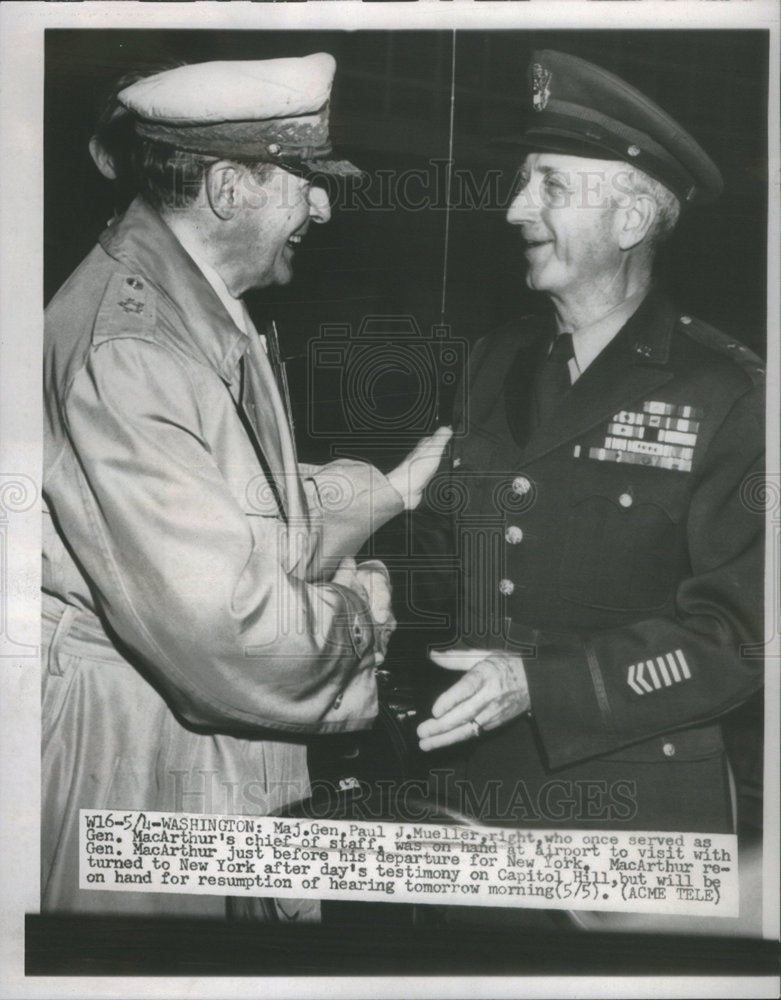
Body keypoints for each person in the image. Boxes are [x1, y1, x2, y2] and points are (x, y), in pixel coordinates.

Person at [43, 53, 451, 918]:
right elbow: (227, 632)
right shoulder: (135, 348)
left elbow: (240, 506)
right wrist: (362, 613)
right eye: (307, 180)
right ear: (229, 188)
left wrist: (388, 489)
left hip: (182, 749)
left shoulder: (194, 305)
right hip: (138, 763)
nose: (324, 205)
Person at [417, 50, 764, 837]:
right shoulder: (493, 359)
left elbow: (740, 640)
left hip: (631, 799)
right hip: (473, 783)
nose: (513, 209)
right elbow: (453, 553)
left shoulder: (729, 394)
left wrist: (544, 687)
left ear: (630, 220)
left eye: (550, 186)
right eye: (521, 181)